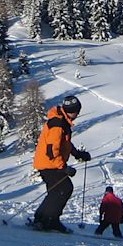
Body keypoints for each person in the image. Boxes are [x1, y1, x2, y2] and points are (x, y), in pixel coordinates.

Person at [31, 93, 91, 232]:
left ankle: (42, 219)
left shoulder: (62, 121)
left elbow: (64, 143)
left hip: (49, 163)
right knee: (64, 189)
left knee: (57, 191)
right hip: (49, 163)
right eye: (76, 111)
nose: (77, 114)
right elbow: (52, 150)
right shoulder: (58, 124)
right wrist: (63, 167)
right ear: (70, 111)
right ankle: (48, 220)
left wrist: (77, 154)